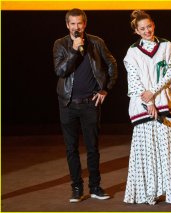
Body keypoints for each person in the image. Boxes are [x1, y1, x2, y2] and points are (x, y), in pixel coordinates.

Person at [53, 8, 117, 203]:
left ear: (84, 24)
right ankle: (76, 188)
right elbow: (60, 71)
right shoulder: (60, 44)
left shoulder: (96, 42)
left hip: (90, 103)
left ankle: (95, 187)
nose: (76, 27)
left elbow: (112, 64)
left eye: (79, 23)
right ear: (67, 25)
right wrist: (74, 49)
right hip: (68, 104)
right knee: (71, 148)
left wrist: (105, 89)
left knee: (92, 147)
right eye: (72, 24)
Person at [123, 10, 171, 205]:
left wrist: (153, 94)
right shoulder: (132, 52)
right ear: (137, 31)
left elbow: (170, 73)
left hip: (164, 101)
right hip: (142, 106)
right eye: (142, 29)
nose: (147, 30)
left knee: (166, 151)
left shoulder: (166, 46)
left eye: (149, 26)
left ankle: (170, 193)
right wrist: (148, 102)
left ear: (153, 25)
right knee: (146, 153)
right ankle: (148, 193)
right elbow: (134, 79)